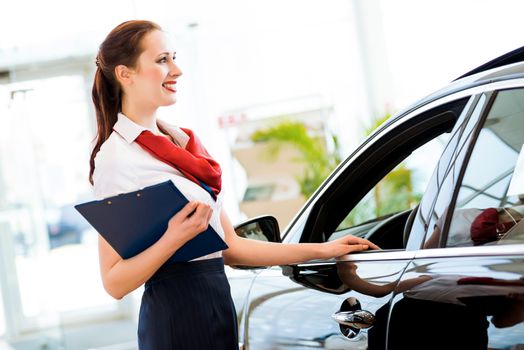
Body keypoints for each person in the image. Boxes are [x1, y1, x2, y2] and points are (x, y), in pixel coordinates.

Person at [89, 20, 378, 350]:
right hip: (175, 316)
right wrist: (173, 238)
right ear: (125, 74)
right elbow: (113, 282)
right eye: (162, 60)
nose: (177, 70)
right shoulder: (116, 158)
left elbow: (232, 246)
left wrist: (324, 250)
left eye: (173, 57)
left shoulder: (183, 143)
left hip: (218, 304)